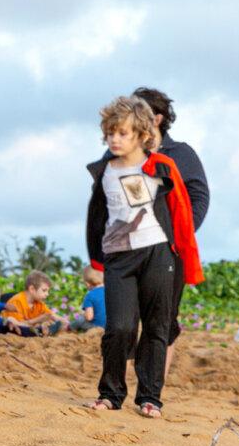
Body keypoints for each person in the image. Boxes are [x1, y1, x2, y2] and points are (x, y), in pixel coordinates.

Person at [84, 96, 203, 418]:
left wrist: (183, 254)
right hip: (118, 257)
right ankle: (111, 393)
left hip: (159, 253)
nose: (114, 139)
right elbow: (96, 217)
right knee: (119, 327)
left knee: (156, 327)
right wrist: (97, 257)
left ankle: (150, 397)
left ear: (141, 134)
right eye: (110, 133)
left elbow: (181, 209)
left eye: (122, 133)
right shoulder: (104, 171)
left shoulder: (162, 167)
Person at [132, 87, 209, 379]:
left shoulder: (182, 154)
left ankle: (152, 386)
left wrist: (181, 233)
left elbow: (199, 196)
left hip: (169, 250)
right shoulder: (122, 149)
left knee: (162, 318)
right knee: (127, 316)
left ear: (158, 118)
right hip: (129, 246)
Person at [1, 271, 70, 337]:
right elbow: (18, 326)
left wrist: (67, 323)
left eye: (48, 291)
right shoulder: (17, 301)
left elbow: (52, 315)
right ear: (32, 289)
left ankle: (42, 330)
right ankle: (41, 331)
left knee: (50, 322)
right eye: (44, 290)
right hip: (13, 331)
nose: (47, 294)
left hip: (29, 329)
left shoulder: (39, 303)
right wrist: (39, 320)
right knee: (28, 328)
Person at [70, 266, 106, 332]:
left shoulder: (90, 295)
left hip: (97, 328)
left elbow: (89, 317)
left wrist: (83, 314)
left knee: (80, 320)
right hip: (111, 326)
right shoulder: (111, 292)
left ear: (87, 283)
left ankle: (69, 329)